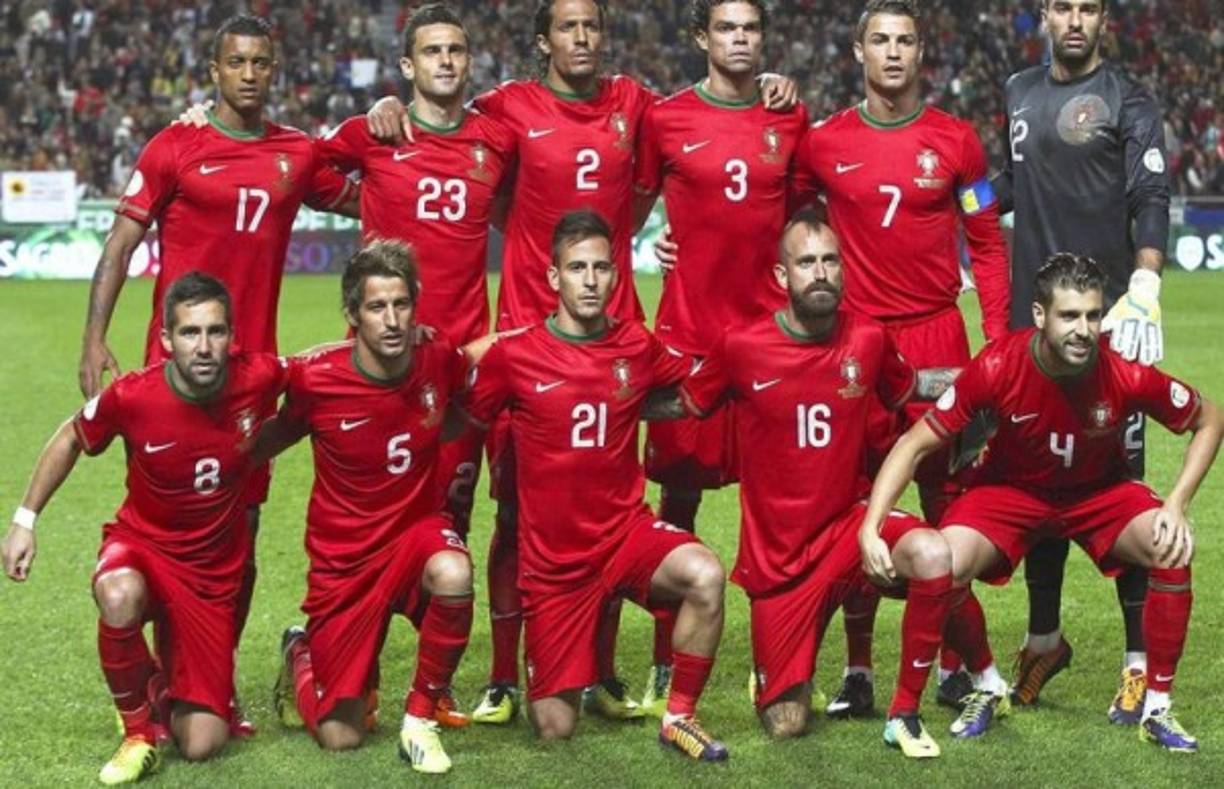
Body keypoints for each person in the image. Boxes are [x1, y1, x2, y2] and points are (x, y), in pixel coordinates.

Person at [77, 13, 359, 733]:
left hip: (251, 381)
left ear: (274, 70)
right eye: (237, 62)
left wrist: (390, 119)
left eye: (261, 62)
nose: (250, 74)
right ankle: (161, 680)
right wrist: (94, 337)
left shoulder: (296, 154)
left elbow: (375, 191)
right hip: (171, 375)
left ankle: (212, 682)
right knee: (170, 531)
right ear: (214, 70)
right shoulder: (175, 145)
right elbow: (119, 244)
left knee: (243, 535)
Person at [859, 253, 1222, 752]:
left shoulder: (1125, 372)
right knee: (947, 563)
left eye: (1093, 316)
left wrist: (1177, 503)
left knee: (1172, 546)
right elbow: (915, 443)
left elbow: (1209, 419)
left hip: (1099, 494)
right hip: (1011, 492)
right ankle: (988, 684)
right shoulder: (997, 365)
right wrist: (871, 524)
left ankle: (1157, 707)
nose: (1083, 330)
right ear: (1039, 315)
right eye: (1069, 316)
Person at [646, 214, 961, 758]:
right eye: (807, 262)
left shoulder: (869, 337)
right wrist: (597, 392)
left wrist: (988, 378)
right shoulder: (741, 346)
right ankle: (777, 669)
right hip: (781, 564)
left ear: (843, 269)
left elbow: (914, 386)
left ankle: (917, 706)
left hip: (851, 530)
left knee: (935, 553)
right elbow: (682, 402)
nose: (820, 273)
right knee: (786, 723)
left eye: (830, 261)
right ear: (781, 275)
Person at [789, 0, 1011, 715]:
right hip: (856, 346)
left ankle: (953, 665)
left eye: (904, 40)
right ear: (858, 51)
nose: (892, 52)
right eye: (879, 40)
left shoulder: (957, 142)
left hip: (939, 340)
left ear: (921, 52)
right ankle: (857, 670)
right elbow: (786, 227)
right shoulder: (823, 143)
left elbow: (987, 243)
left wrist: (997, 344)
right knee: (854, 503)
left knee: (949, 507)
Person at [458, 210, 731, 761]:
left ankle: (679, 716)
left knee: (705, 575)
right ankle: (554, 674)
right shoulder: (515, 355)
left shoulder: (636, 345)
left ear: (615, 276)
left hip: (625, 537)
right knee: (554, 727)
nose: (590, 280)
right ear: (553, 277)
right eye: (577, 268)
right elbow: (462, 415)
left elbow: (698, 383)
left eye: (601, 268)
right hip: (555, 566)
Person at [3, 274, 289, 784]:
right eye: (190, 333)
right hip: (143, 548)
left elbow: (325, 373)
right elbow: (70, 437)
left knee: (203, 744)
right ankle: (138, 733)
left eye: (216, 331)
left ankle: (155, 687)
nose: (204, 346)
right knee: (118, 594)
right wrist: (25, 521)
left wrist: (413, 348)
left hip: (209, 578)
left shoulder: (259, 376)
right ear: (166, 339)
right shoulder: (133, 395)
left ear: (232, 336)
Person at [312, 9, 515, 698]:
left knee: (451, 518)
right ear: (407, 65)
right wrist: (362, 199)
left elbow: (551, 189)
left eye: (456, 49)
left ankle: (435, 682)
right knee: (369, 521)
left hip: (459, 367)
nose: (446, 61)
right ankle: (343, 649)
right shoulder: (376, 132)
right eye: (432, 51)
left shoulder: (495, 138)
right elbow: (301, 168)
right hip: (378, 373)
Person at [990, 0, 1172, 718]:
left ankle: (1137, 662)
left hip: (1108, 330)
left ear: (1103, 20)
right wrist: (948, 197)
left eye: (1088, 7)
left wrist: (1146, 283)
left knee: (1120, 490)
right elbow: (1006, 185)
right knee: (1039, 485)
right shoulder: (1017, 90)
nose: (1074, 19)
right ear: (1044, 14)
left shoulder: (1129, 98)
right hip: (1033, 330)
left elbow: (1150, 193)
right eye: (1062, 6)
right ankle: (1044, 640)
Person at [630, 0, 808, 714]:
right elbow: (631, 208)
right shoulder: (665, 118)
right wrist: (657, 242)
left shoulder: (788, 116)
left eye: (751, 28)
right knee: (677, 505)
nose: (741, 39)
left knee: (778, 511)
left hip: (769, 341)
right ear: (702, 37)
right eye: (727, 28)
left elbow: (806, 215)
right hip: (689, 340)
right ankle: (662, 662)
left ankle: (774, 661)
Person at [257, 242, 478, 773]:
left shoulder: (437, 357)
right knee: (341, 735)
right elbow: (267, 436)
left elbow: (472, 385)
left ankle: (420, 716)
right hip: (346, 563)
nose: (392, 320)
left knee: (453, 572)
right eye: (377, 307)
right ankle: (300, 652)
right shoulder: (315, 378)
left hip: (415, 537)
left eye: (401, 304)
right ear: (352, 314)